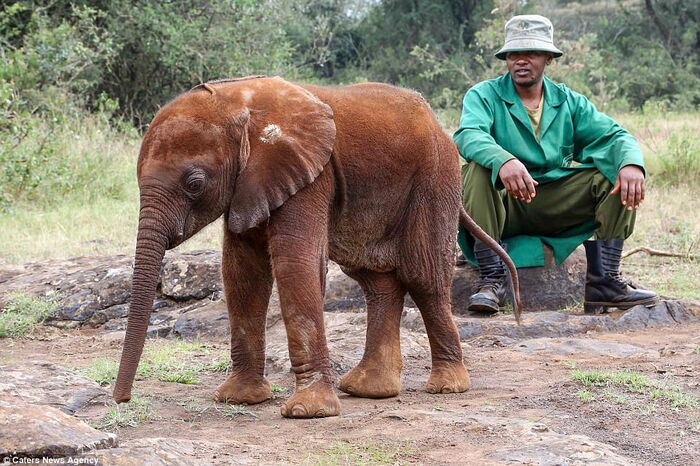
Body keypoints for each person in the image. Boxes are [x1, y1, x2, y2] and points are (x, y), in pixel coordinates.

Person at [453, 14, 657, 315]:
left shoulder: (568, 101)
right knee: (478, 168)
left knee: (615, 174)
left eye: (531, 53)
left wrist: (631, 165)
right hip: (501, 208)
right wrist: (503, 160)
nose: (521, 61)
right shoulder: (484, 95)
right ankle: (491, 280)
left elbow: (615, 136)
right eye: (514, 54)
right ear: (506, 58)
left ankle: (605, 283)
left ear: (548, 58)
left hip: (550, 203)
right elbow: (468, 135)